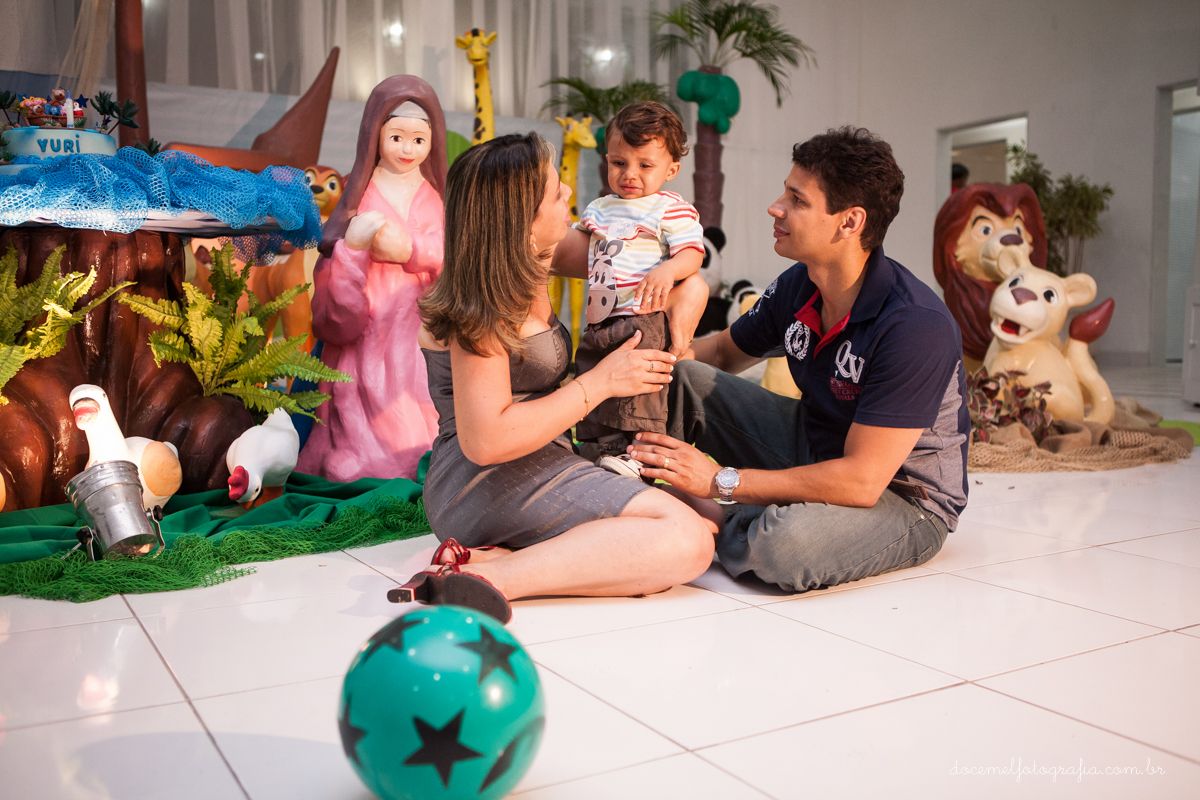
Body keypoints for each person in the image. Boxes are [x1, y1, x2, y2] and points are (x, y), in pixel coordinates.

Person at [627, 126, 970, 593]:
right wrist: (635, 363)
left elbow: (862, 481)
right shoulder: (799, 284)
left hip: (902, 496)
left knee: (783, 547)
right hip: (813, 441)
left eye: (797, 200)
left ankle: (707, 513)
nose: (776, 208)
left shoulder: (914, 325)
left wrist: (720, 483)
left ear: (849, 222)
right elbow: (723, 351)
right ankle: (622, 485)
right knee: (680, 376)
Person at [395, 132, 719, 623]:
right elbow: (486, 440)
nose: (569, 192)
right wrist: (600, 383)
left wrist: (692, 286)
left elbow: (653, 258)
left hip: (544, 457)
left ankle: (497, 559)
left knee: (709, 518)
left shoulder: (540, 254)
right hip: (479, 479)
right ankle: (487, 580)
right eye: (554, 191)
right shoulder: (480, 302)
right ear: (522, 222)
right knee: (689, 541)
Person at [298, 76, 446, 483]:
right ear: (375, 135)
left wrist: (411, 249)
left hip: (421, 346)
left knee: (425, 436)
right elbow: (334, 308)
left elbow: (456, 259)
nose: (407, 149)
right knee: (364, 454)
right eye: (397, 136)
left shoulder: (436, 200)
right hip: (364, 353)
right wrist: (353, 250)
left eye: (419, 140)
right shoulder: (358, 197)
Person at [564, 102, 706, 479]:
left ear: (671, 170)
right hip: (601, 320)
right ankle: (596, 449)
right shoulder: (600, 207)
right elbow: (577, 242)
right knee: (594, 379)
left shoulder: (669, 208)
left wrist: (669, 270)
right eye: (618, 163)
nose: (630, 174)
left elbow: (693, 253)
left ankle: (638, 454)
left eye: (645, 165)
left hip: (645, 316)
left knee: (640, 392)